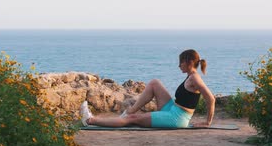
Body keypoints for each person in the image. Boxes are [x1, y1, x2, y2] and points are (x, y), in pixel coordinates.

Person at [80, 49, 215, 128]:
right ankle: (128, 112)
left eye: (180, 62)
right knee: (154, 83)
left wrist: (207, 122)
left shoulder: (195, 79)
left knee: (132, 119)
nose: (179, 66)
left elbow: (211, 99)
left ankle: (90, 120)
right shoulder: (190, 76)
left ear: (188, 62)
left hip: (176, 118)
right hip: (173, 110)